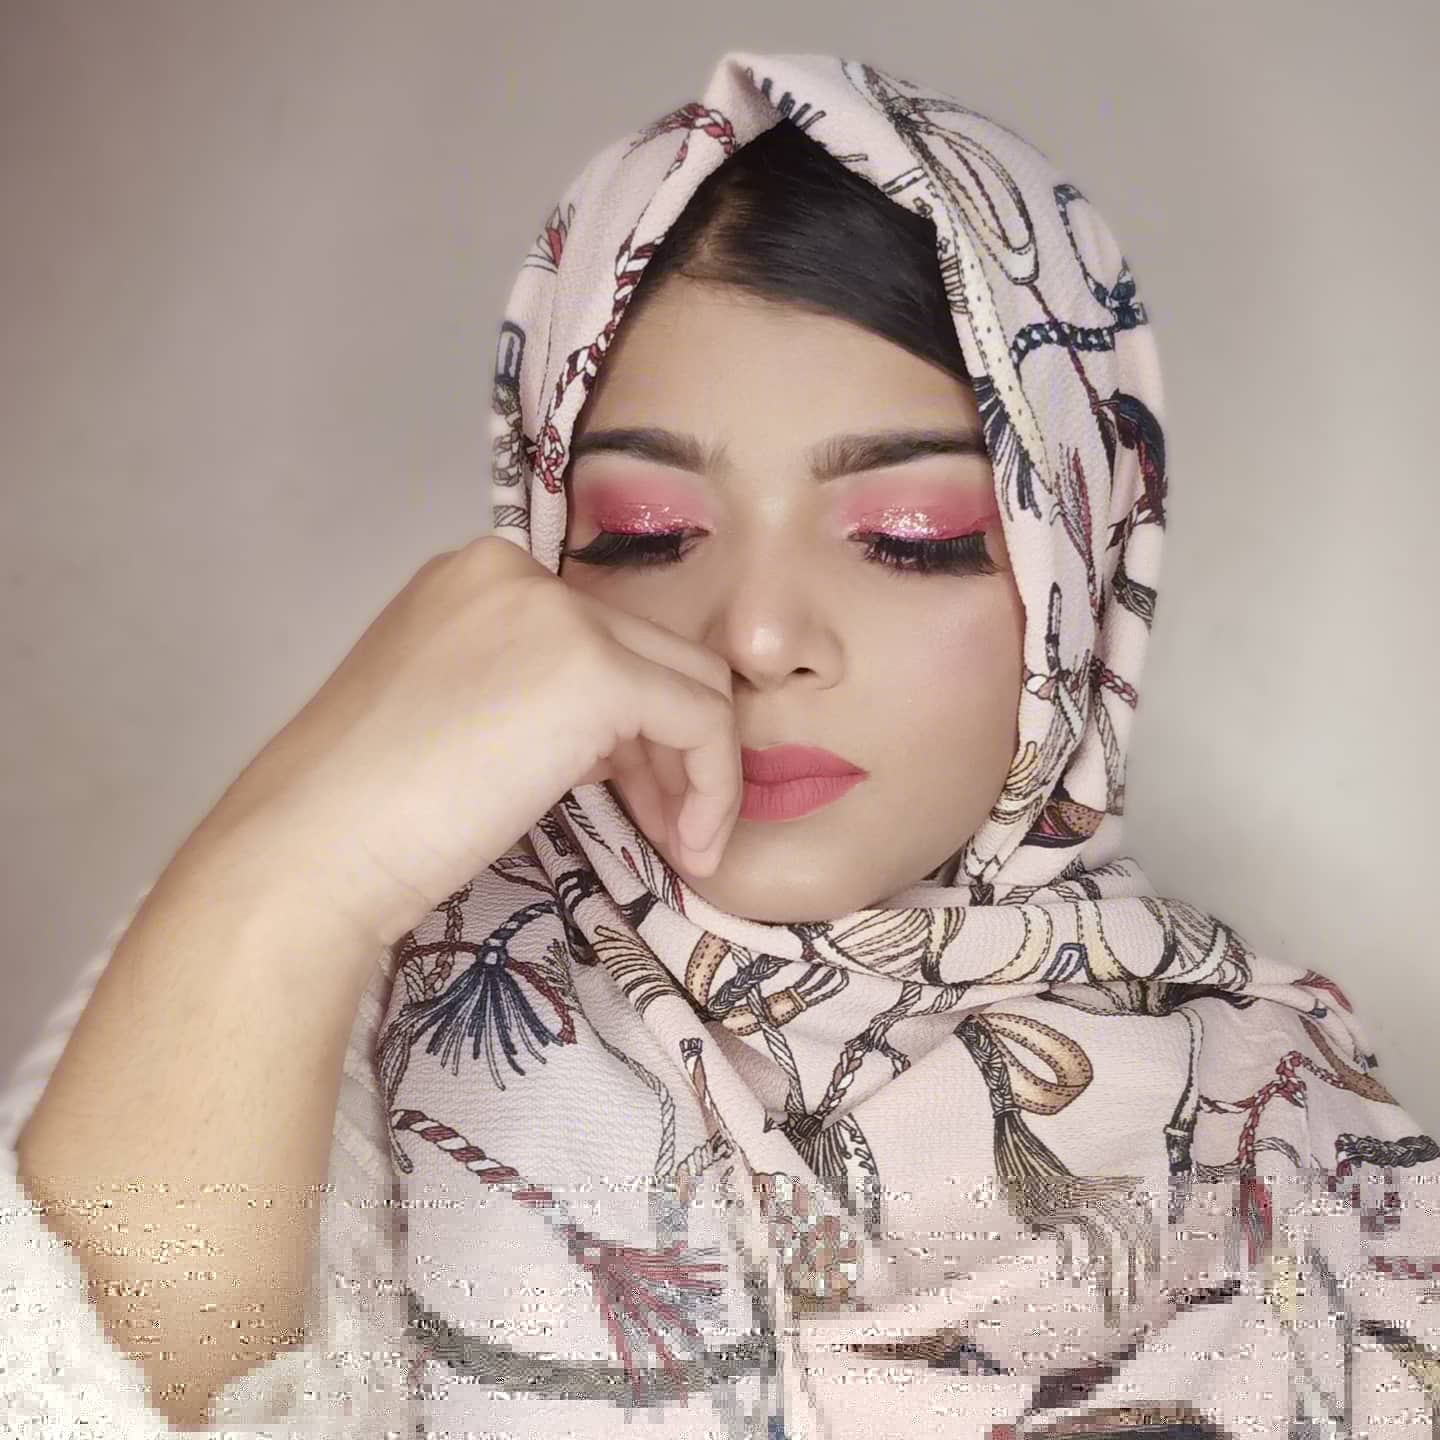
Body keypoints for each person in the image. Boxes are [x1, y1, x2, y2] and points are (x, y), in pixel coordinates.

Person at [4, 49, 1437, 1439]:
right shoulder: (303, 992)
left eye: (908, 537)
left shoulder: (1307, 1149)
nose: (755, 635)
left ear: (1080, 585)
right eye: (647, 534)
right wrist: (291, 873)